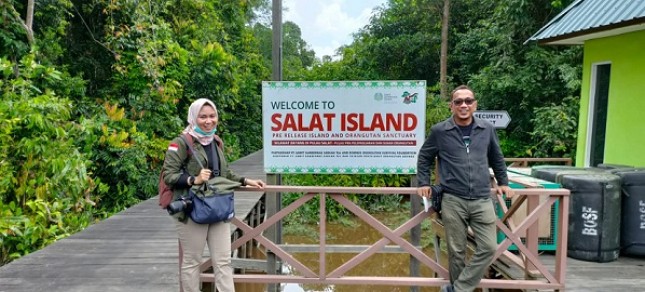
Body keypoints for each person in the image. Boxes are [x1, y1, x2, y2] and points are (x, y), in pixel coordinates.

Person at [416, 85, 514, 292]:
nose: (463, 105)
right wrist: (424, 183)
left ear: (475, 104)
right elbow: (424, 157)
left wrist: (503, 182)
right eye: (458, 101)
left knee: (489, 247)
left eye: (468, 101)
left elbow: (496, 157)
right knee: (456, 251)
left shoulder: (486, 129)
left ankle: (458, 289)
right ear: (452, 106)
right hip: (452, 199)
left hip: (482, 198)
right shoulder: (440, 131)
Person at [162, 98, 265, 292]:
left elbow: (223, 174)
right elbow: (169, 176)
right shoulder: (181, 143)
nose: (208, 121)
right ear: (193, 117)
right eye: (202, 117)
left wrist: (245, 181)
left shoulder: (215, 142)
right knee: (192, 262)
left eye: (212, 116)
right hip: (192, 209)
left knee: (224, 262)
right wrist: (194, 179)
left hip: (217, 207)